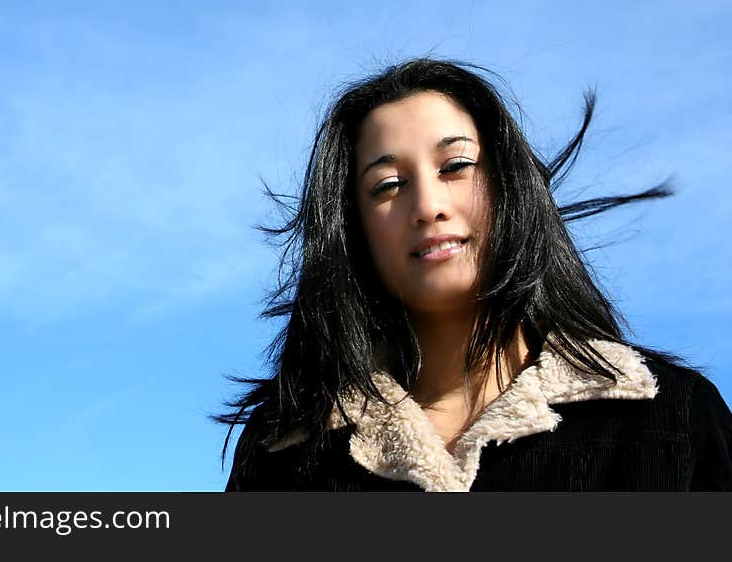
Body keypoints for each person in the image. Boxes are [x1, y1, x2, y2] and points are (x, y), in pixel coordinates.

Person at [217, 59, 732, 491]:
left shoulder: (672, 419)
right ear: (353, 229)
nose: (428, 205)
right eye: (389, 184)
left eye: (456, 165)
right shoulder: (284, 454)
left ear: (511, 189)